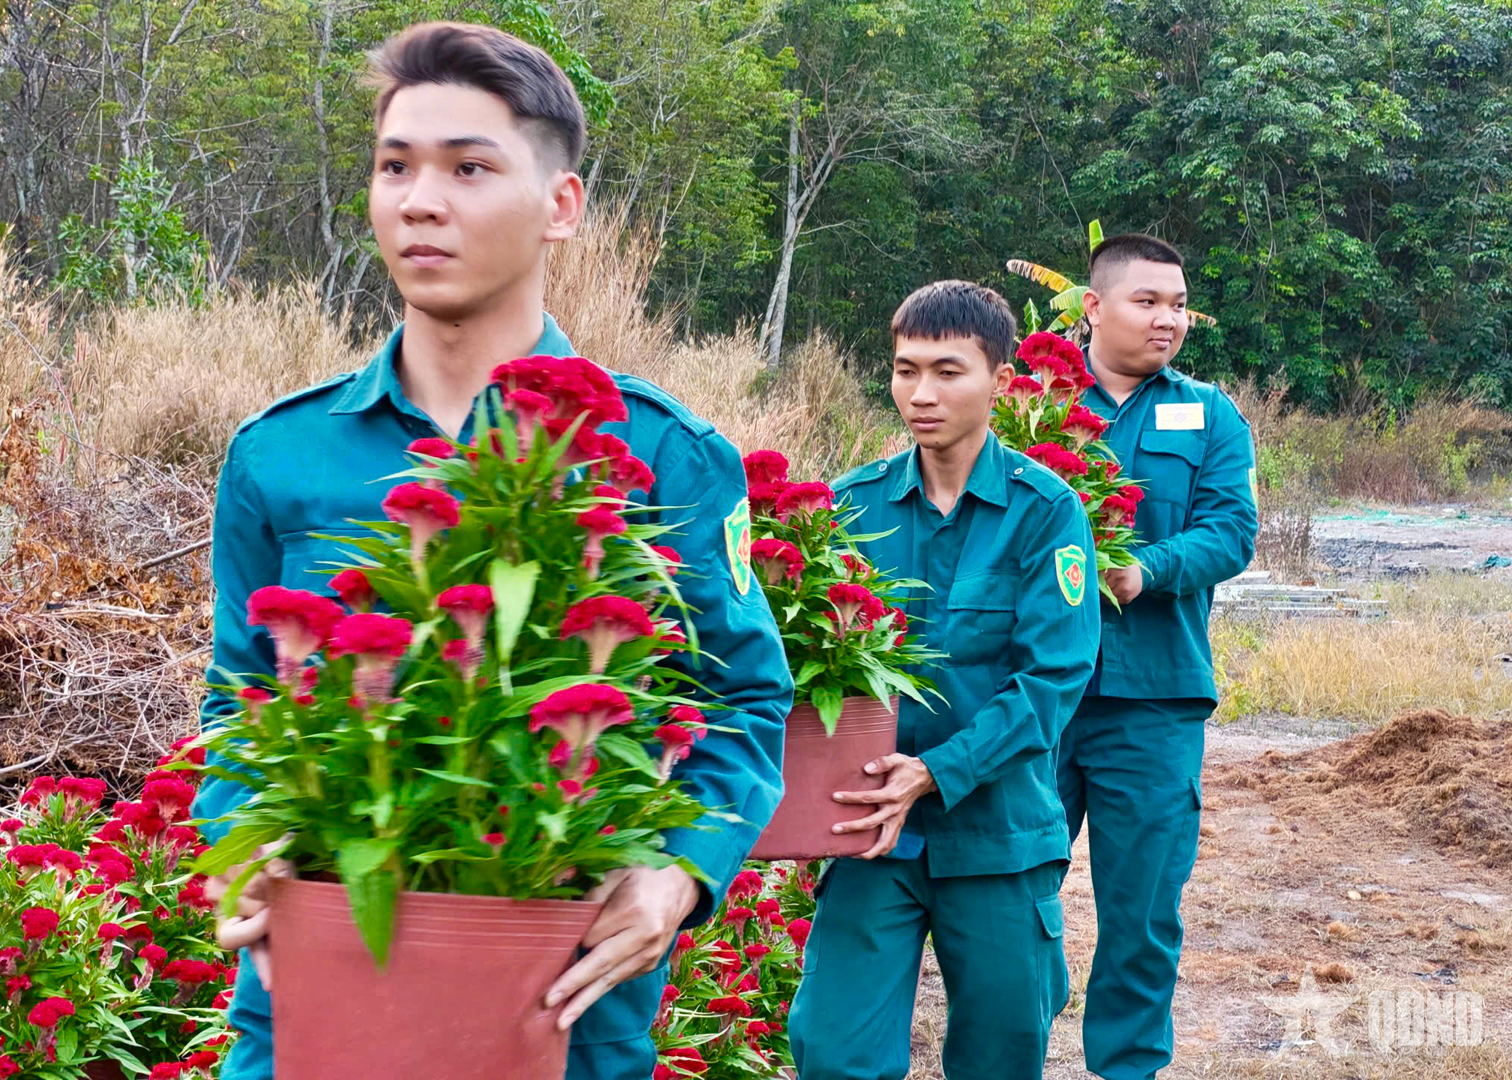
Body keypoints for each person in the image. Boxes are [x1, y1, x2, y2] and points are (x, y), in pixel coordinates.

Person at [189, 22, 792, 1080]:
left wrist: (681, 874)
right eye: (394, 167)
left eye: (469, 167)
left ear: (561, 206)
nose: (421, 199)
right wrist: (245, 846)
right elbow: (240, 694)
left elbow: (742, 698)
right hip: (316, 1004)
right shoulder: (281, 454)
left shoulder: (667, 456)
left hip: (555, 1010)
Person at [787, 280, 1101, 1080]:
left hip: (996, 837)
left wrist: (934, 772)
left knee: (1000, 1053)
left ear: (1000, 380)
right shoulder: (851, 505)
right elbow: (807, 659)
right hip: (871, 836)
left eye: (947, 371)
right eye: (904, 369)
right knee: (831, 1050)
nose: (921, 394)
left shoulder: (1044, 511)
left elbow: (1053, 681)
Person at [1056, 233, 1257, 1079]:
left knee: (1141, 912)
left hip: (1154, 696)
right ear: (1095, 308)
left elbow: (1231, 531)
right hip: (1036, 693)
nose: (1168, 320)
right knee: (1012, 894)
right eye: (1147, 302)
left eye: (1177, 305)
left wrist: (1149, 571)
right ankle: (1007, 1047)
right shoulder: (1025, 400)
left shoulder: (1208, 414)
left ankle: (1127, 1066)